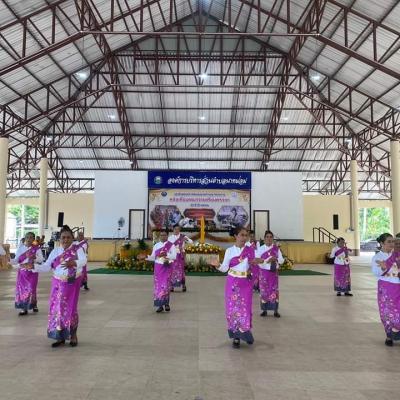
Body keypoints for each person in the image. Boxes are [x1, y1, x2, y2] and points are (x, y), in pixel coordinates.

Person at [33, 225, 87, 348]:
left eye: (68, 237)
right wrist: (34, 267)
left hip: (71, 283)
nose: (65, 240)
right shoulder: (56, 251)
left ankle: (73, 335)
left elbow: (84, 261)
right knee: (56, 309)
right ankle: (59, 336)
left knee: (70, 309)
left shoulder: (77, 249)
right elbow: (47, 266)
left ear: (72, 238)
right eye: (63, 237)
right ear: (60, 239)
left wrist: (74, 262)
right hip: (57, 283)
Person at [210, 226, 263, 348]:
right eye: (242, 235)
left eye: (246, 235)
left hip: (245, 283)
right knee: (233, 309)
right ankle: (236, 336)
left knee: (245, 308)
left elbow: (253, 264)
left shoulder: (250, 250)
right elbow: (225, 268)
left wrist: (257, 262)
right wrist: (217, 265)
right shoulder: (229, 251)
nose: (244, 238)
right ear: (235, 236)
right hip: (233, 283)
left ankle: (245, 333)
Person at [372, 233, 400, 346]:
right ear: (382, 243)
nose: (392, 244)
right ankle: (389, 336)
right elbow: (376, 273)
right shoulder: (377, 257)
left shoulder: (397, 254)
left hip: (398, 286)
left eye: (393, 241)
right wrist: (384, 267)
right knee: (387, 312)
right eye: (389, 241)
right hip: (386, 287)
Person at [145, 229, 177, 313]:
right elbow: (153, 257)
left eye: (164, 235)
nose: (163, 237)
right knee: (158, 287)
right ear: (160, 236)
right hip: (158, 268)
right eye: (161, 235)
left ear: (167, 236)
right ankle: (160, 305)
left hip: (167, 267)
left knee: (165, 286)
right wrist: (145, 257)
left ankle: (166, 304)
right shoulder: (156, 245)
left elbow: (174, 256)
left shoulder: (171, 245)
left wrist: (166, 254)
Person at [12, 232, 43, 316]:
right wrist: (9, 260)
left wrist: (35, 258)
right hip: (22, 272)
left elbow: (41, 260)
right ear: (25, 238)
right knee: (22, 289)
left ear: (33, 239)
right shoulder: (20, 249)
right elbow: (16, 260)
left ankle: (33, 304)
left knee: (32, 289)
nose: (29, 239)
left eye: (31, 237)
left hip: (32, 271)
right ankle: (24, 308)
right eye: (27, 237)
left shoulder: (37, 249)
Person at [257, 230, 284, 318]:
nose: (269, 239)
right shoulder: (260, 249)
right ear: (264, 238)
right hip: (264, 274)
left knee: (274, 291)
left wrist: (275, 259)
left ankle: (275, 310)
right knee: (264, 291)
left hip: (273, 274)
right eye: (267, 237)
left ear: (273, 239)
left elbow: (281, 260)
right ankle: (264, 310)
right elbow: (257, 261)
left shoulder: (276, 249)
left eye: (271, 237)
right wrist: (267, 261)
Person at [168, 224, 193, 292]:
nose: (176, 230)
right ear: (173, 229)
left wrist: (186, 239)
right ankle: (172, 286)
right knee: (172, 270)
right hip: (173, 256)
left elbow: (191, 242)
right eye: (175, 229)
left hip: (180, 256)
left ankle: (183, 285)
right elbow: (168, 247)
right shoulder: (170, 238)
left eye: (178, 229)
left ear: (179, 230)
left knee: (181, 270)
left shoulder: (183, 236)